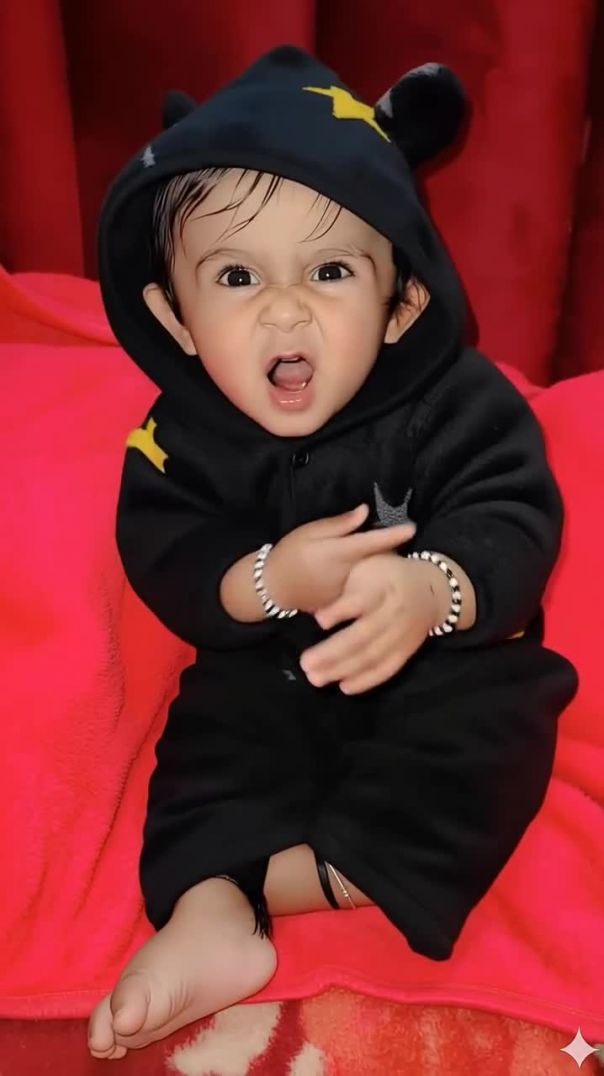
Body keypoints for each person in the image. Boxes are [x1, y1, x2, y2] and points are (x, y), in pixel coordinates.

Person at [87, 45, 578, 1059]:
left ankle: (299, 877)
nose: (284, 307)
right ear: (175, 316)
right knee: (205, 750)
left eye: (330, 271)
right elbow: (167, 546)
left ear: (402, 302)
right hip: (269, 665)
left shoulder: (456, 403)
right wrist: (269, 580)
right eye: (235, 276)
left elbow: (513, 509)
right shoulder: (179, 435)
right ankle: (214, 916)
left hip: (438, 659)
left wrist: (432, 589)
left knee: (494, 732)